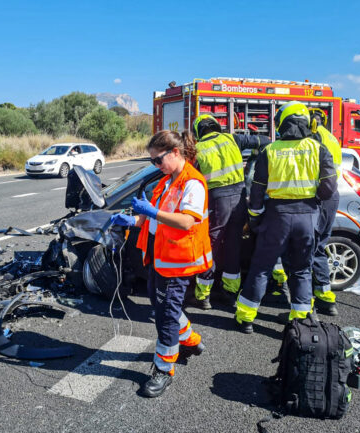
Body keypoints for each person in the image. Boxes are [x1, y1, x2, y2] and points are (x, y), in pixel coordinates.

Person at [110, 130, 212, 397]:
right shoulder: (167, 181)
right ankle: (190, 340)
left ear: (175, 153)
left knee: (166, 314)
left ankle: (164, 369)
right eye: (152, 161)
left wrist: (152, 211)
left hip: (177, 260)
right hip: (159, 255)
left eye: (158, 160)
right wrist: (133, 221)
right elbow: (152, 218)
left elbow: (188, 221)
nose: (155, 165)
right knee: (162, 305)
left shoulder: (193, 183)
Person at [234, 101, 337, 334]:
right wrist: (311, 202)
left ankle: (246, 318)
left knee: (261, 268)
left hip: (276, 217)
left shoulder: (269, 151)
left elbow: (257, 192)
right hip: (307, 217)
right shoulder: (319, 149)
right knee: (301, 270)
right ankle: (301, 321)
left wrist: (254, 219)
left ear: (281, 123)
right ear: (307, 123)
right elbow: (329, 188)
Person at [189, 115, 271, 309]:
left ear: (198, 131)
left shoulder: (198, 150)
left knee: (212, 245)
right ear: (217, 126)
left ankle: (203, 296)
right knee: (233, 244)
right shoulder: (233, 139)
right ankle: (230, 292)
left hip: (217, 200)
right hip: (240, 198)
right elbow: (265, 140)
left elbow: (192, 178)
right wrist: (254, 159)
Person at [310, 108, 342, 316]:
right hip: (331, 196)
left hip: (319, 197)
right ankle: (325, 298)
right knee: (319, 246)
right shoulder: (332, 137)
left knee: (308, 248)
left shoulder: (314, 139)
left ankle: (304, 307)